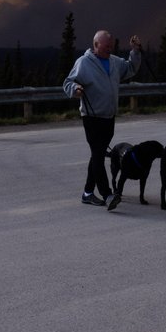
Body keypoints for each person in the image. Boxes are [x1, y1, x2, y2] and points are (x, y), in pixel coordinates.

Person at [62, 30, 143, 208]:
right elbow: (68, 82)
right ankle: (107, 195)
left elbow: (131, 68)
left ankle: (87, 193)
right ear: (96, 45)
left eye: (111, 46)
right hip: (91, 117)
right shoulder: (84, 63)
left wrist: (135, 52)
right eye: (106, 46)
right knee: (98, 155)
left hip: (109, 116)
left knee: (96, 155)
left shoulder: (114, 62)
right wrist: (75, 89)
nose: (109, 49)